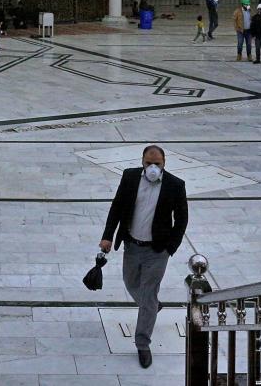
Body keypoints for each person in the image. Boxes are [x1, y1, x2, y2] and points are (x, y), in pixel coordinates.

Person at [99, 145, 188, 369]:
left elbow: (182, 220)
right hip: (131, 245)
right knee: (131, 283)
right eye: (149, 163)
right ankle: (152, 306)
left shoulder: (175, 185)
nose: (153, 167)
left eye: (157, 164)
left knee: (148, 294)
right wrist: (107, 236)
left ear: (164, 163)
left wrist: (170, 248)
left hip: (157, 251)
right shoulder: (129, 177)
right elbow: (117, 207)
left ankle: (142, 343)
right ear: (142, 162)